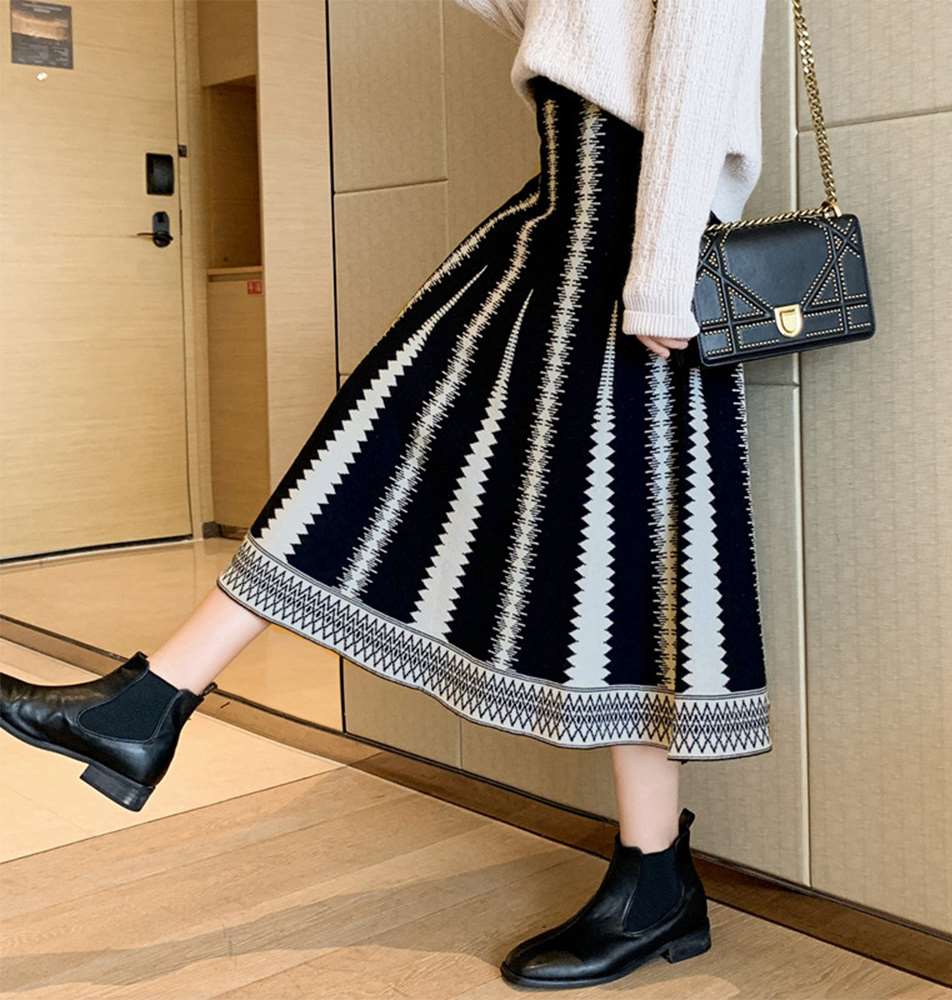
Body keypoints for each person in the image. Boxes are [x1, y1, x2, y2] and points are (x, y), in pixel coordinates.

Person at [0, 0, 772, 989]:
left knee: (617, 563)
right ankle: (150, 700)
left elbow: (700, 53)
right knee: (383, 453)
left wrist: (660, 269)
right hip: (560, 219)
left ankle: (654, 877)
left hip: (628, 232)